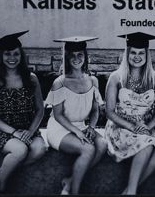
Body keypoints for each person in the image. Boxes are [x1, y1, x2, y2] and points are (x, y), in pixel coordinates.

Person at [0, 30, 46, 194]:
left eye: (16, 54)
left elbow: (40, 109)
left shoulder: (31, 79)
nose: (12, 58)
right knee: (20, 150)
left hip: (27, 129)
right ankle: (0, 189)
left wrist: (30, 131)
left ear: (21, 55)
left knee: (39, 149)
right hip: (1, 131)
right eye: (7, 54)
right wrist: (14, 133)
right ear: (1, 56)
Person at [104, 32, 155, 195]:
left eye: (141, 53)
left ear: (147, 55)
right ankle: (131, 192)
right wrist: (133, 127)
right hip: (121, 126)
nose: (137, 56)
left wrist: (146, 126)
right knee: (147, 146)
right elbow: (109, 111)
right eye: (133, 52)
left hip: (147, 126)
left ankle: (128, 191)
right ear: (127, 53)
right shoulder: (116, 78)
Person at [45, 36, 107, 195]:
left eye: (80, 54)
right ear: (66, 57)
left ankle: (70, 181)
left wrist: (91, 127)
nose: (76, 58)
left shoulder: (92, 80)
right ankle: (74, 191)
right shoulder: (60, 82)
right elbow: (58, 115)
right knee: (88, 149)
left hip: (82, 126)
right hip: (60, 128)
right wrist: (77, 132)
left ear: (86, 56)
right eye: (72, 55)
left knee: (102, 145)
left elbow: (95, 110)